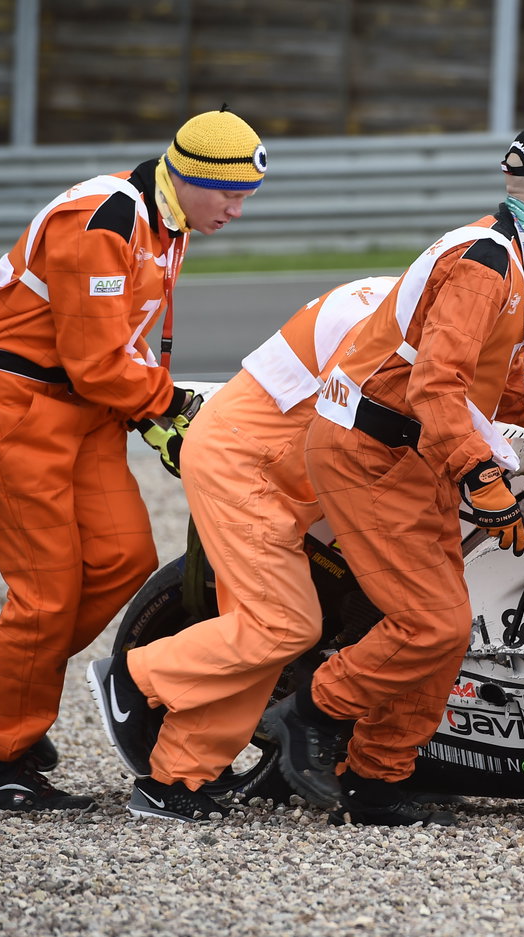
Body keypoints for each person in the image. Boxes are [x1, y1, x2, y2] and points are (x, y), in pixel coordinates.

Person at [258, 117, 524, 824]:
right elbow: (437, 388)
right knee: (434, 626)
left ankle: (377, 780)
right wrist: (480, 475)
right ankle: (311, 710)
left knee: (450, 625)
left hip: (410, 455)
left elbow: (514, 385)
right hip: (368, 451)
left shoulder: (516, 260)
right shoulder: (484, 262)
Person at [0, 109, 267, 812]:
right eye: (229, 195)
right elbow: (96, 362)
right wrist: (170, 409)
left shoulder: (168, 220)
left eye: (248, 196)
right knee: (47, 587)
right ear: (188, 176)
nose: (239, 210)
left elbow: (123, 349)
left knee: (122, 556)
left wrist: (158, 417)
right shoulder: (106, 220)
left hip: (82, 406)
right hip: (7, 398)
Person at [85, 275, 393, 821]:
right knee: (284, 624)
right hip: (247, 466)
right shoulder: (396, 316)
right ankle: (135, 675)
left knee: (260, 632)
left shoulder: (412, 300)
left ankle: (173, 781)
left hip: (283, 475)